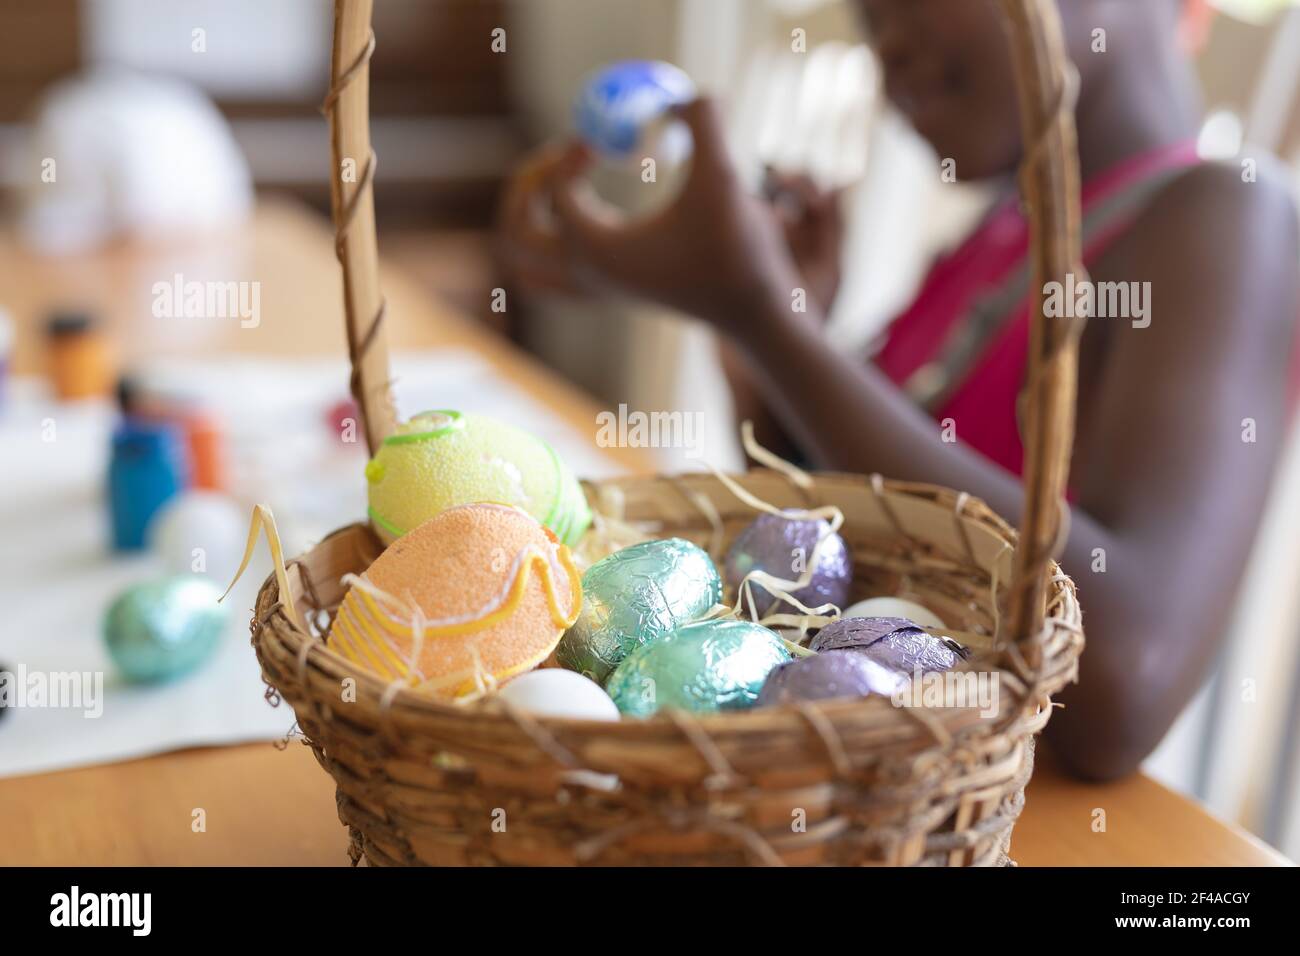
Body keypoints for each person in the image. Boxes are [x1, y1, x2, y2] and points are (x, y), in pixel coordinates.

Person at [496, 0, 1300, 780]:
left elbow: (1129, 678)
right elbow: (838, 555)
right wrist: (776, 337)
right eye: (869, 20)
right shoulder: (993, 242)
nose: (889, 47)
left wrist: (766, 318)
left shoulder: (1230, 215)